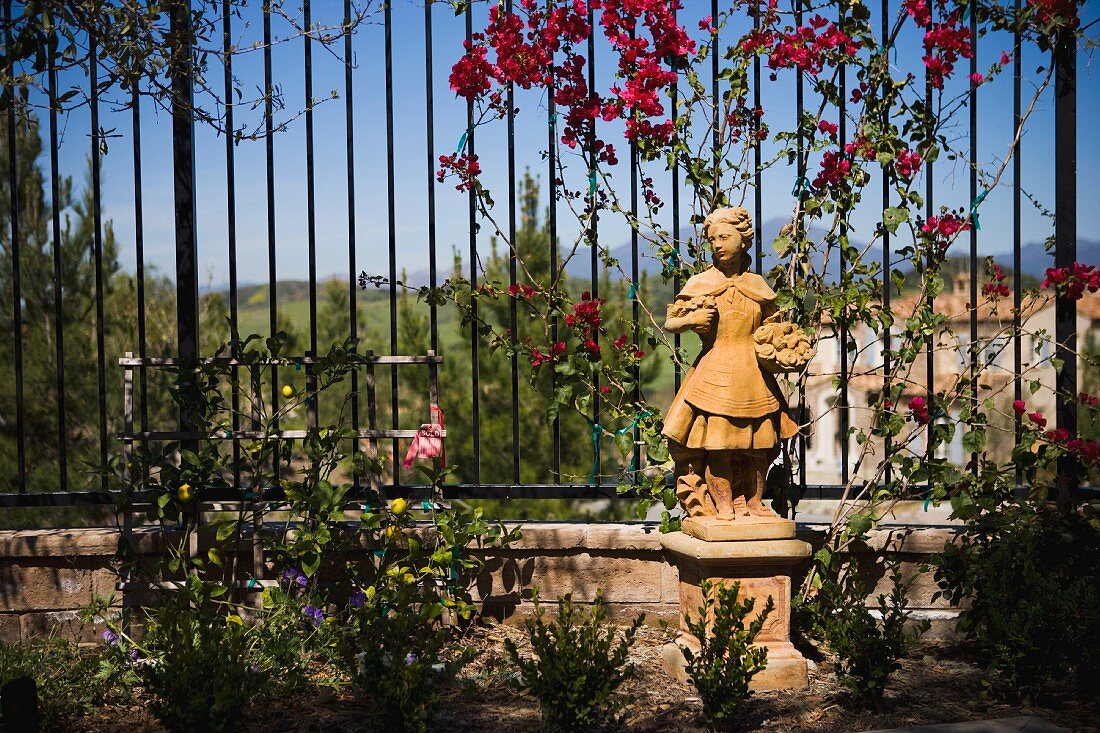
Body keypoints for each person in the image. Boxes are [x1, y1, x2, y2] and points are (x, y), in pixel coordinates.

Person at [662, 206, 798, 520]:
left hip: (754, 376)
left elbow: (773, 327)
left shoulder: (757, 285)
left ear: (744, 239)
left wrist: (784, 343)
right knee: (719, 444)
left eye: (724, 237)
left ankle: (752, 502)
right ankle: (721, 505)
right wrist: (694, 318)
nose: (718, 244)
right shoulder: (701, 283)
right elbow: (671, 321)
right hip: (715, 373)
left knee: (759, 446)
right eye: (712, 239)